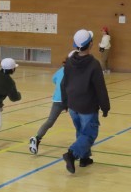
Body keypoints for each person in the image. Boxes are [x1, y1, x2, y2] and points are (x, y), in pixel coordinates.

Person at [61, 29, 110, 174]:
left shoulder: (69, 61)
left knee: (81, 132)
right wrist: (105, 107)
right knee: (89, 134)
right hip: (87, 106)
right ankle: (71, 154)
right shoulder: (94, 64)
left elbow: (64, 84)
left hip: (72, 105)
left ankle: (84, 158)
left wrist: (65, 102)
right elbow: (100, 88)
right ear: (91, 44)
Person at [29, 55, 69, 155]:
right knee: (79, 121)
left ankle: (37, 138)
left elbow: (54, 79)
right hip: (69, 100)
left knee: (50, 121)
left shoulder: (61, 70)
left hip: (57, 99)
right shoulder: (75, 72)